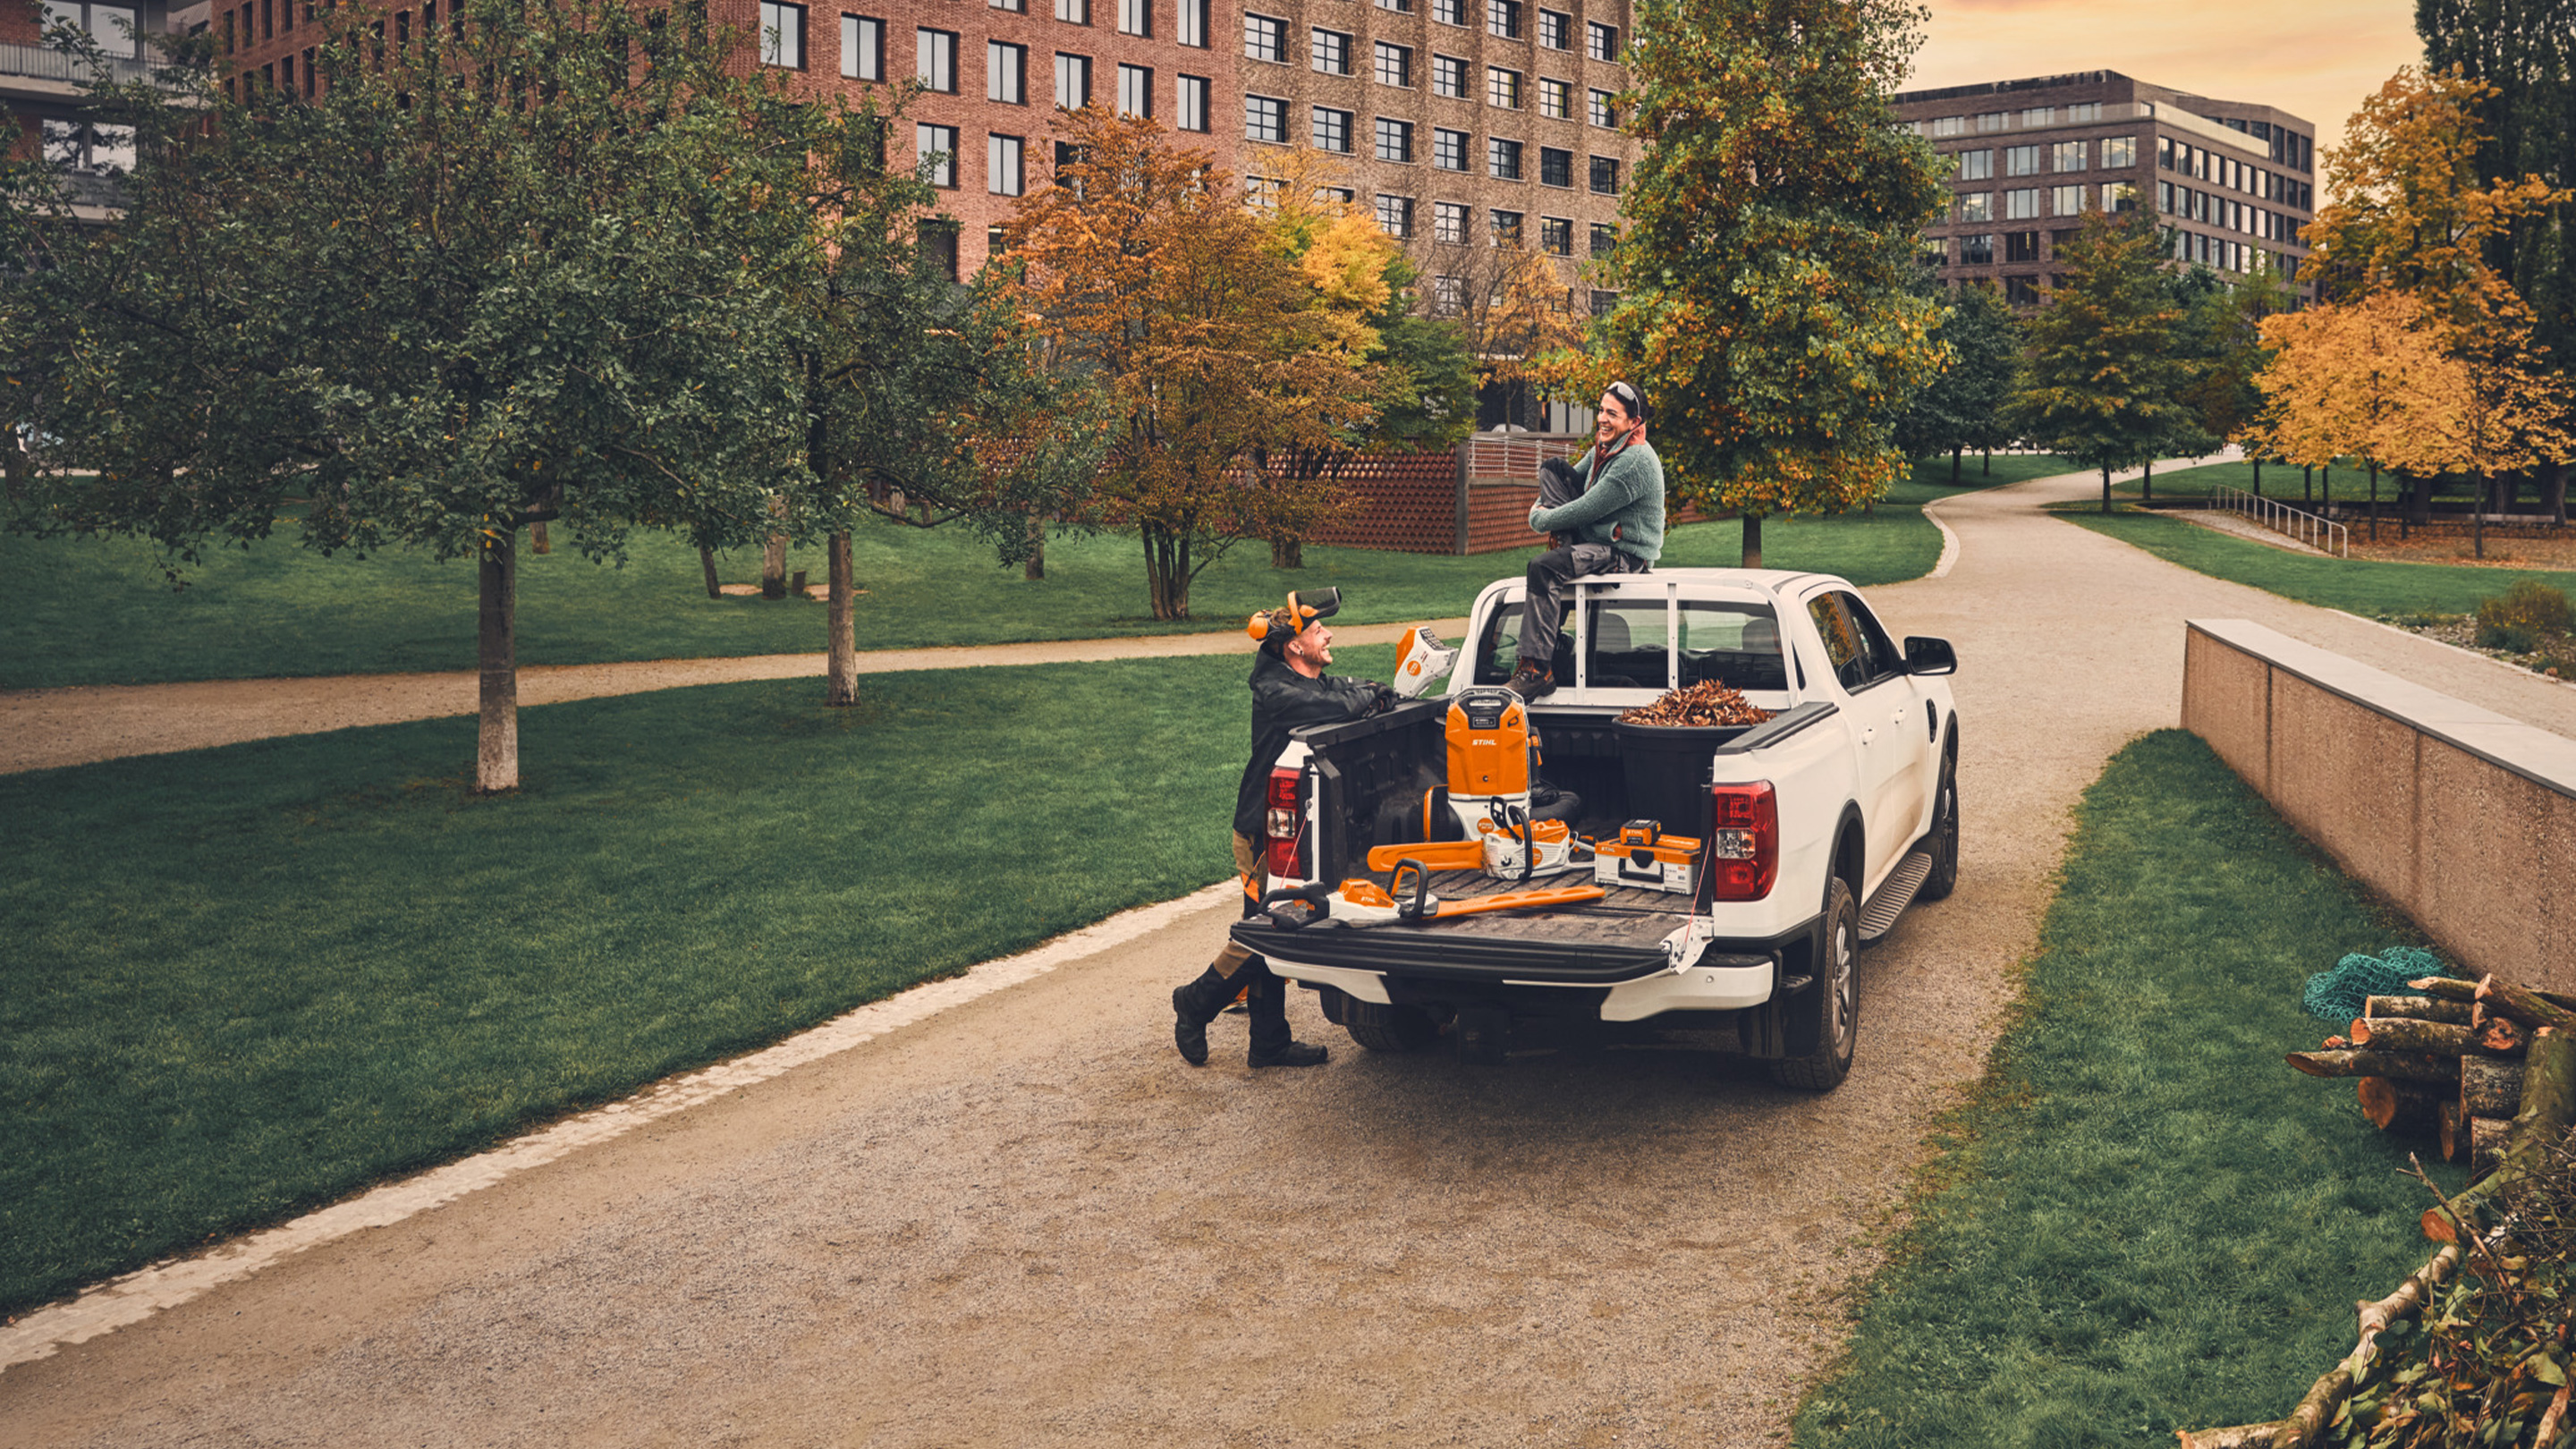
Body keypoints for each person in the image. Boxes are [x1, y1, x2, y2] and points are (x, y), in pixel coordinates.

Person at [1169, 591, 1395, 1068]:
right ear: (1294, 647)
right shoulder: (1277, 692)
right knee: (1268, 931)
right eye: (1317, 632)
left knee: (1273, 925)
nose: (1328, 635)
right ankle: (1195, 1002)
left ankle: (1269, 1041)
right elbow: (1336, 707)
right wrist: (1370, 695)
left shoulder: (1307, 677)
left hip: (1293, 828)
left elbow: (1346, 691)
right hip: (1262, 833)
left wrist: (1372, 691)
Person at [1509, 382, 1665, 699]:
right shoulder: (1605, 448)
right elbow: (1570, 483)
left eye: (1612, 413)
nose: (1602, 419)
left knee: (1544, 568)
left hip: (1622, 553)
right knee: (1553, 468)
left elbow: (1584, 509)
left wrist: (1538, 519)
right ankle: (1565, 552)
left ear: (1634, 423)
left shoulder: (1633, 462)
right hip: (1593, 539)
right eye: (1601, 410)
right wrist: (1541, 509)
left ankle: (1537, 669)